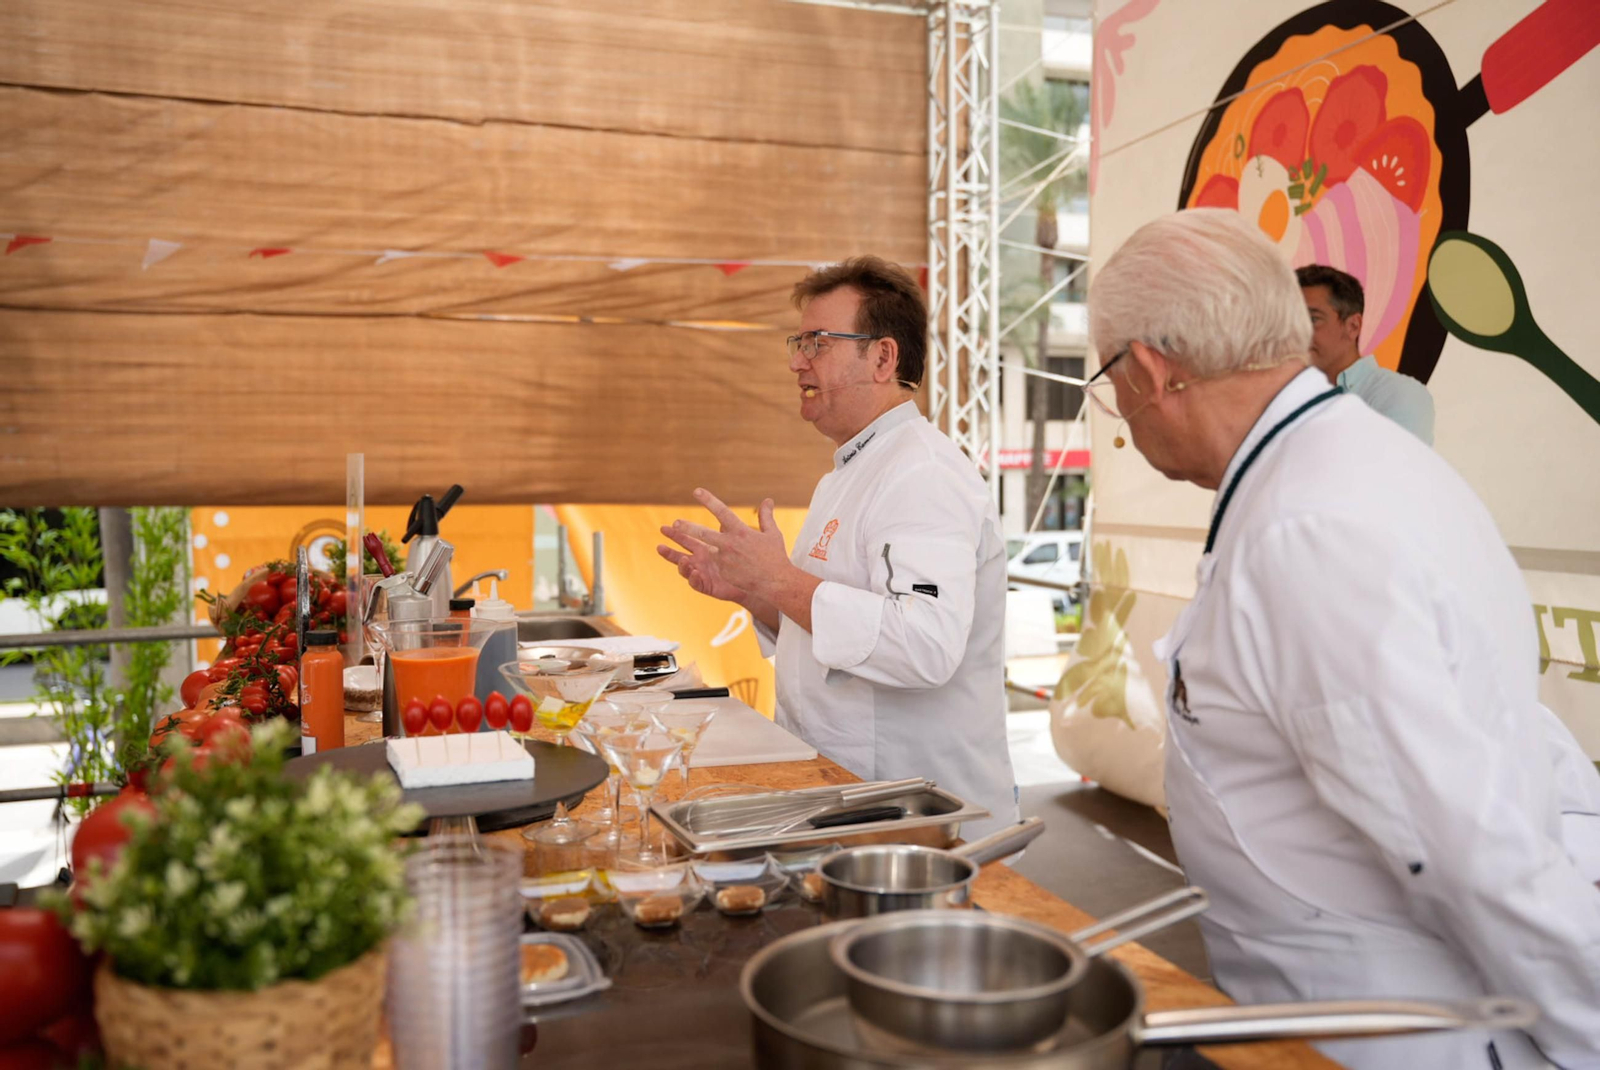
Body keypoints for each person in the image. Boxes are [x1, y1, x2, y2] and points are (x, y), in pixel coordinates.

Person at [1087, 210, 1600, 1070]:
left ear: (1151, 370)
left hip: (1382, 1038)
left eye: (1107, 378)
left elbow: (1469, 853)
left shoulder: (1308, 525)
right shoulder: (1337, 467)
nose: (1120, 409)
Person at [656, 256, 1019, 840]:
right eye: (798, 342)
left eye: (819, 342)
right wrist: (757, 595)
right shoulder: (849, 472)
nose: (798, 361)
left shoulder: (922, 471)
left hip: (921, 817)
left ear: (882, 357)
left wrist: (779, 581)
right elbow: (833, 621)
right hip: (847, 796)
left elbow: (925, 644)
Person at [1297, 264, 1435, 444]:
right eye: (1291, 319)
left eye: (1313, 319)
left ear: (1352, 326)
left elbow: (1396, 469)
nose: (1297, 330)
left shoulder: (1397, 393)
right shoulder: (1288, 400)